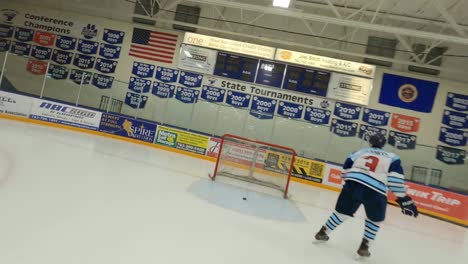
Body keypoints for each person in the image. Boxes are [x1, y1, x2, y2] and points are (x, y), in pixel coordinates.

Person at [314, 133, 418, 258]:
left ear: (370, 143)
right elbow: (395, 179)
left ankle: (322, 232)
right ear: (383, 145)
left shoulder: (359, 152)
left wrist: (350, 183)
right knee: (374, 219)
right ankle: (364, 246)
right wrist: (403, 198)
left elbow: (345, 170)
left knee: (341, 212)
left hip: (353, 184)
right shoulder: (393, 157)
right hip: (375, 190)